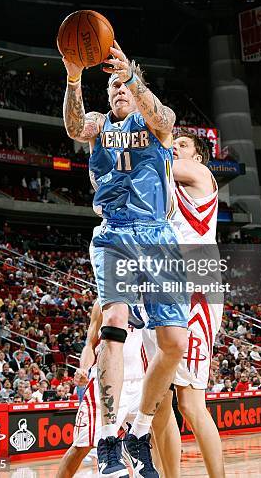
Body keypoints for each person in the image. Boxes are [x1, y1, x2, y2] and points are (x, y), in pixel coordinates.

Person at [63, 44, 188, 477]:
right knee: (114, 318)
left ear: (137, 91)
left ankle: (139, 430)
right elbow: (75, 125)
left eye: (124, 84)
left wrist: (131, 75)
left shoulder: (156, 123)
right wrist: (73, 76)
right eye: (112, 84)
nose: (117, 89)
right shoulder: (100, 126)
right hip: (114, 232)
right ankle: (109, 437)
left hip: (157, 235)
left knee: (174, 344)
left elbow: (165, 118)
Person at [146, 131, 224, 478]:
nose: (175, 147)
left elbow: (155, 160)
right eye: (173, 143)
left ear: (198, 156)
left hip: (197, 291)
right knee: (160, 402)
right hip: (167, 284)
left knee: (191, 403)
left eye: (183, 145)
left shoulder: (199, 175)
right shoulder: (168, 189)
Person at [56, 301, 145, 478]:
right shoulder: (103, 302)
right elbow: (90, 344)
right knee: (82, 445)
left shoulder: (149, 297)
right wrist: (84, 368)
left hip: (139, 382)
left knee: (147, 445)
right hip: (105, 383)